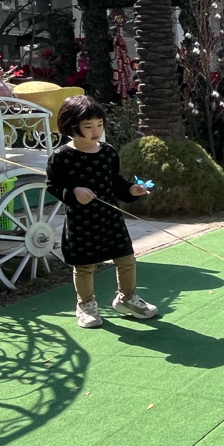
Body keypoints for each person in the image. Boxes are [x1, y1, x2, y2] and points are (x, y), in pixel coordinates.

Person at [45, 95, 157, 329]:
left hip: (111, 219)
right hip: (81, 221)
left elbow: (116, 183)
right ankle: (85, 305)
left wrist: (131, 190)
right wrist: (74, 191)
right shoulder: (61, 156)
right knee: (85, 266)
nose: (96, 131)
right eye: (88, 126)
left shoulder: (108, 152)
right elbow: (53, 186)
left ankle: (127, 299)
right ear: (71, 126)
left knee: (126, 259)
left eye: (99, 124)